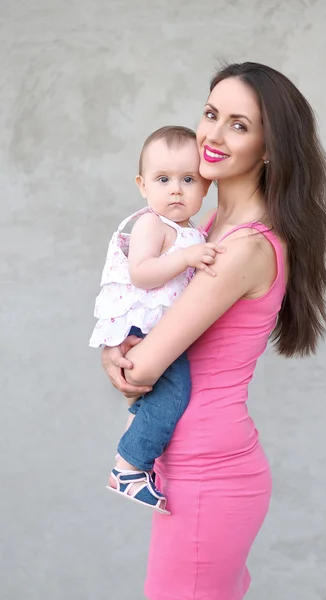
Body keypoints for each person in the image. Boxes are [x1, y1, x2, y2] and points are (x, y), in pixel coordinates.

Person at [101, 62, 326, 600]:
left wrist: (116, 354)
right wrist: (117, 349)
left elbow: (143, 365)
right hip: (190, 465)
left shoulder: (243, 249)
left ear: (269, 147)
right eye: (211, 114)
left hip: (209, 473)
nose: (211, 135)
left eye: (238, 124)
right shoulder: (203, 230)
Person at [90, 125, 222, 514]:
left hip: (159, 328)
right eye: (163, 179)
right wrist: (185, 259)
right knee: (175, 392)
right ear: (143, 185)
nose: (176, 189)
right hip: (145, 326)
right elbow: (141, 273)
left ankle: (136, 433)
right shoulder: (153, 224)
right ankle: (130, 468)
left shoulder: (192, 231)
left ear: (205, 187)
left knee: (165, 393)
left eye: (188, 179)